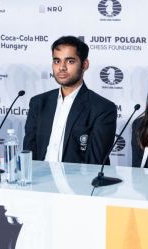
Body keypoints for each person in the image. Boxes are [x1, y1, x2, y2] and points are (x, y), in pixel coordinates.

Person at [23, 36, 117, 164]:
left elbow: (94, 163)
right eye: (57, 61)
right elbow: (29, 154)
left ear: (85, 65)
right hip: (39, 180)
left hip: (78, 182)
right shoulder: (38, 103)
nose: (62, 67)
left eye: (70, 61)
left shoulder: (102, 108)